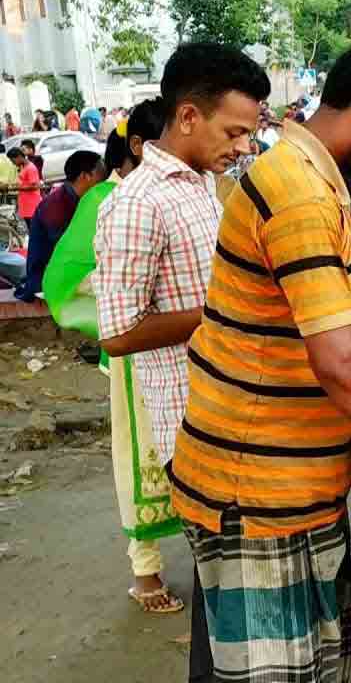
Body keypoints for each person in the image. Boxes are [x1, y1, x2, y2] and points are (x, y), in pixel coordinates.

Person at [170, 36, 351, 683]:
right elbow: (336, 363)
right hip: (258, 491)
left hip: (290, 486)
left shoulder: (310, 177)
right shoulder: (301, 192)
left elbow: (304, 317)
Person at [93, 43, 269, 668]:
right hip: (193, 425)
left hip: (232, 408)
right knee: (226, 593)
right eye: (235, 131)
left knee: (236, 596)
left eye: (250, 133)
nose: (244, 146)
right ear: (188, 116)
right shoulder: (137, 202)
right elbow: (118, 331)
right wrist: (230, 308)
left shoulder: (201, 185)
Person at [43, 100, 187, 615]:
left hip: (183, 347)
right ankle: (144, 568)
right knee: (138, 452)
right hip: (134, 350)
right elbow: (66, 277)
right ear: (139, 146)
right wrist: (125, 296)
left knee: (189, 449)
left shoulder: (188, 191)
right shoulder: (107, 199)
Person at [15, 149, 105, 301]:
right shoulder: (57, 205)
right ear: (85, 176)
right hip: (46, 280)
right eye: (101, 175)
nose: (104, 181)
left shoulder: (76, 199)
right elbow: (68, 253)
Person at [7, 146, 43, 227]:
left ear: (19, 157)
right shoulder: (24, 167)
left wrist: (16, 188)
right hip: (26, 206)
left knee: (34, 229)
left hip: (32, 206)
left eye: (13, 160)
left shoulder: (30, 168)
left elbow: (34, 186)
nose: (13, 163)